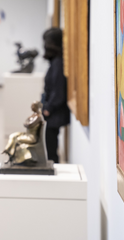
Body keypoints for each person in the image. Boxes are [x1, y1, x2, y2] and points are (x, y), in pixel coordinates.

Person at [41, 27, 70, 163]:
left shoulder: (58, 63)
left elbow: (59, 91)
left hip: (55, 112)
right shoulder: (56, 61)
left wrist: (48, 108)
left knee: (51, 146)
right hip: (53, 111)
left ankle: (54, 167)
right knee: (51, 143)